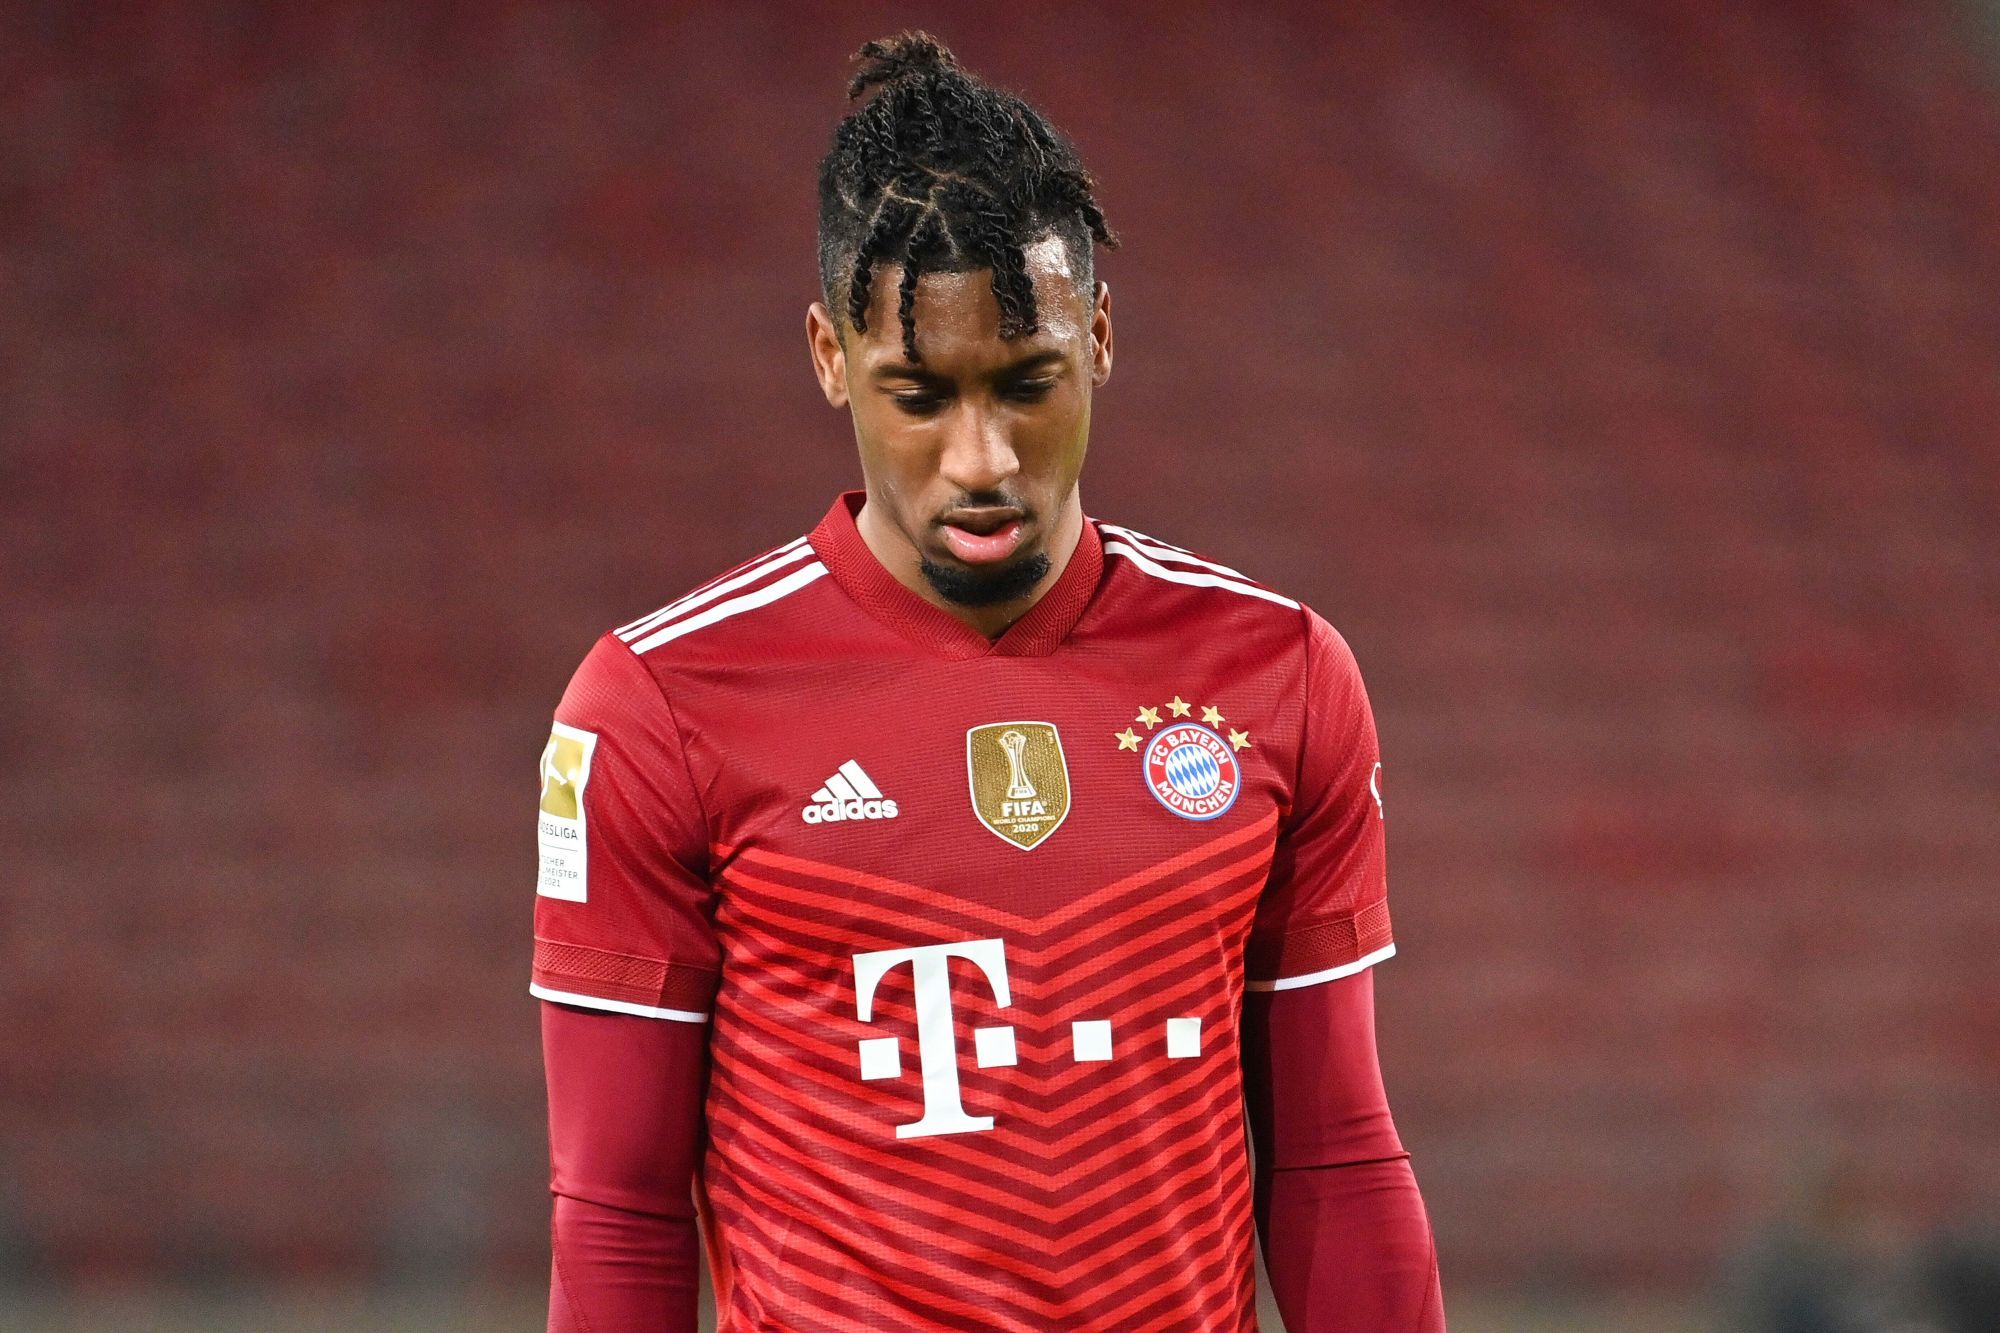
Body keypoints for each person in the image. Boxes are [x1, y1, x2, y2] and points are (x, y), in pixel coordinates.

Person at [533, 30, 1445, 1332]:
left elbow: (1335, 1157)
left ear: (1100, 337)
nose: (982, 460)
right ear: (829, 356)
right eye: (920, 396)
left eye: (1028, 386)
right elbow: (617, 1208)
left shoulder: (1277, 673)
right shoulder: (658, 706)